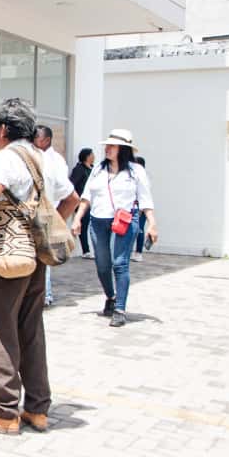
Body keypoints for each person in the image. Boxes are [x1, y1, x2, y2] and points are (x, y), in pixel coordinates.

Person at [0, 99, 79, 435]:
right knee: (31, 330)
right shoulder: (49, 159)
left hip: (6, 252)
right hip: (36, 256)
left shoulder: (5, 157)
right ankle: (37, 409)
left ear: (2, 130)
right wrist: (46, 226)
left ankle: (3, 411)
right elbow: (72, 199)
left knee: (0, 327)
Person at [71, 130, 158, 327]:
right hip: (98, 220)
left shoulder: (136, 171)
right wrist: (77, 219)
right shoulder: (98, 170)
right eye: (107, 145)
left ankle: (120, 308)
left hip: (125, 220)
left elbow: (145, 199)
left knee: (120, 263)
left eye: (112, 146)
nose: (107, 149)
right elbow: (87, 196)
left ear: (123, 149)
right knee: (102, 265)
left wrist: (152, 223)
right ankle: (110, 297)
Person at [33, 125, 71, 307]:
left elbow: (69, 195)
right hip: (32, 215)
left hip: (47, 215)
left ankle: (45, 294)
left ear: (47, 140)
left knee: (44, 256)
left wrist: (57, 218)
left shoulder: (55, 161)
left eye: (37, 139)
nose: (33, 142)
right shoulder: (32, 157)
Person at [69, 148, 95, 259]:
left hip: (92, 203)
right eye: (92, 154)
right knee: (83, 226)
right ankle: (86, 251)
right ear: (87, 156)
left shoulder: (93, 169)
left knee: (88, 226)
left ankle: (87, 250)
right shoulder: (79, 169)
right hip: (81, 203)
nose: (94, 156)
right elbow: (72, 184)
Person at [132, 156, 148, 262]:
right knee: (132, 230)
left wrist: (141, 209)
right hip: (133, 207)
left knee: (140, 230)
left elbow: (144, 195)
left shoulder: (143, 177)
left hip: (141, 208)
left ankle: (138, 252)